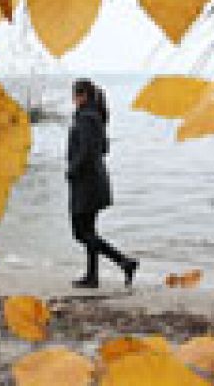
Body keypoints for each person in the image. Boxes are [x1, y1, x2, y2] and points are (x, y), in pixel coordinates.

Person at [67, 78, 138, 289]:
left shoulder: (87, 118)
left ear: (83, 96)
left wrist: (72, 170)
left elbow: (89, 151)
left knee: (81, 232)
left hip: (87, 182)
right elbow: (104, 148)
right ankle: (92, 277)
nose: (73, 99)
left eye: (75, 95)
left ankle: (125, 262)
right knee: (88, 231)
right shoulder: (94, 117)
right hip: (93, 180)